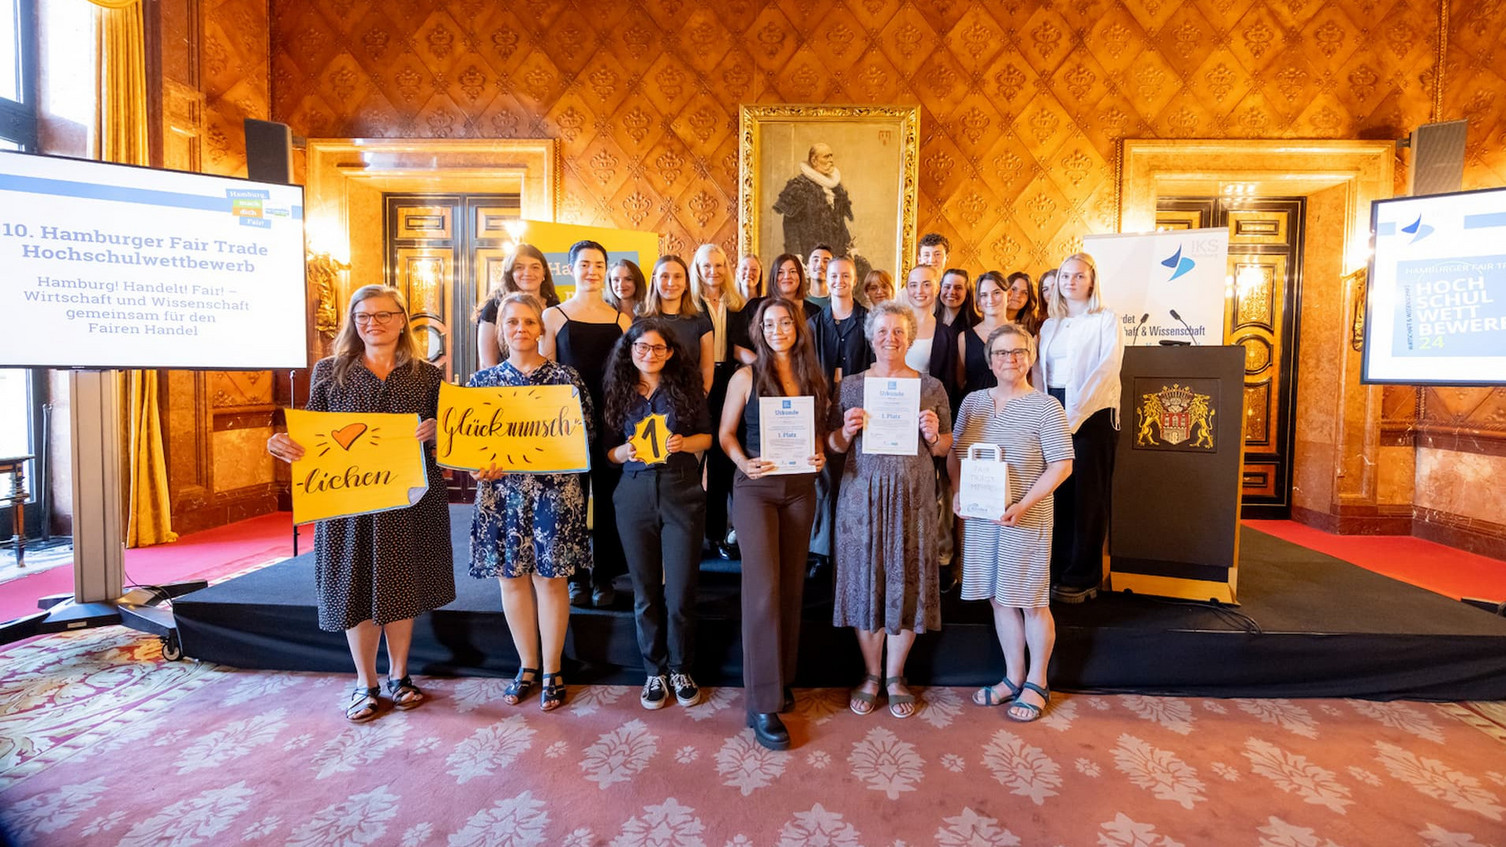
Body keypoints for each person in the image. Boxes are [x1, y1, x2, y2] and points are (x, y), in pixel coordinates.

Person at [266, 284, 454, 722]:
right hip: (350, 501)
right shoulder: (329, 372)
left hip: (411, 498)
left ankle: (400, 675)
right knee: (355, 585)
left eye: (383, 315)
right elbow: (310, 433)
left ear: (402, 319)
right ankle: (365, 682)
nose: (373, 323)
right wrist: (281, 443)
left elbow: (450, 438)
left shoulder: (427, 374)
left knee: (401, 584)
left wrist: (435, 432)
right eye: (363, 316)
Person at [826, 300, 953, 718]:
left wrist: (934, 435)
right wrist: (844, 431)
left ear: (910, 337)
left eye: (898, 331)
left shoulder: (931, 387)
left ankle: (896, 675)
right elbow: (832, 446)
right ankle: (871, 675)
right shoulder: (850, 386)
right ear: (870, 336)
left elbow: (946, 447)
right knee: (866, 581)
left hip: (912, 496)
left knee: (906, 577)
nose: (890, 339)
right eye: (882, 331)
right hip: (860, 494)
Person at [469, 293, 592, 713]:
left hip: (553, 493)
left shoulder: (566, 379)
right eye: (511, 323)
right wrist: (475, 468)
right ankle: (527, 666)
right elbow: (468, 448)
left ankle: (553, 669)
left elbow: (585, 437)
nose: (520, 329)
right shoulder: (481, 384)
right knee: (511, 579)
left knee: (551, 579)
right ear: (501, 332)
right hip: (501, 494)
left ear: (541, 329)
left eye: (528, 322)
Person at [719, 298, 829, 751]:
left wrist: (820, 450)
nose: (778, 329)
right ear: (758, 330)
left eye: (785, 321)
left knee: (789, 589)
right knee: (762, 590)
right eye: (769, 323)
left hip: (801, 490)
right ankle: (761, 704)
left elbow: (818, 430)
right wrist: (745, 461)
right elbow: (726, 434)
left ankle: (779, 681)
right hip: (756, 490)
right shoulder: (745, 376)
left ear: (797, 328)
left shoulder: (811, 377)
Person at [950, 323, 1073, 722]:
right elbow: (954, 455)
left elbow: (1062, 465)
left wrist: (1024, 503)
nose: (1010, 359)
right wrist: (957, 492)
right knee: (999, 598)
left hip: (1026, 517)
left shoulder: (1045, 406)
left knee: (1031, 600)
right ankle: (1012, 677)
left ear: (1031, 356)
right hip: (984, 519)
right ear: (989, 360)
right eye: (1001, 353)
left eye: (1018, 351)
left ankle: (1037, 681)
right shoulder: (973, 403)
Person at [603, 320, 712, 710]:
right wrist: (624, 452)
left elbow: (708, 437)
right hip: (633, 493)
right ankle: (654, 671)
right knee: (645, 590)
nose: (649, 355)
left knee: (681, 589)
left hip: (681, 490)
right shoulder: (617, 391)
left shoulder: (685, 389)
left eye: (657, 348)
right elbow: (607, 453)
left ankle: (681, 667)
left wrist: (685, 443)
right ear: (629, 350)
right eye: (641, 348)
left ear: (670, 352)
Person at [541, 240, 633, 608]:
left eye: (599, 264)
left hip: (611, 420)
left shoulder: (620, 319)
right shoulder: (554, 316)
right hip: (568, 423)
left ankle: (604, 577)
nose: (592, 271)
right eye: (585, 264)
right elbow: (545, 375)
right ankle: (577, 575)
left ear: (606, 270)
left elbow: (628, 373)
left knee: (609, 499)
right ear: (572, 269)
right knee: (572, 501)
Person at [1034, 253, 1123, 604]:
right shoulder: (1050, 324)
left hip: (1093, 414)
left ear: (1091, 280)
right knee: (1057, 494)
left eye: (1078, 276)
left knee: (1088, 496)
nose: (1070, 282)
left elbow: (1105, 370)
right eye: (1065, 276)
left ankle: (1083, 574)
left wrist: (1072, 416)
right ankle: (1056, 569)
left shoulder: (1105, 319)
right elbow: (1040, 370)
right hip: (1054, 408)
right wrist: (1046, 412)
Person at [806, 256, 872, 573]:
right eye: (834, 275)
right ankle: (821, 550)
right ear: (826, 278)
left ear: (854, 279)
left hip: (859, 406)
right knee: (823, 476)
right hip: (821, 405)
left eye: (846, 275)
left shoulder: (869, 320)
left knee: (854, 473)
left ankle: (850, 545)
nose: (839, 280)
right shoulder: (814, 324)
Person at [690, 243, 750, 560]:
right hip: (701, 380)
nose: (713, 272)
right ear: (697, 271)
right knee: (702, 458)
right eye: (706, 267)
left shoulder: (737, 303)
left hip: (730, 377)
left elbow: (739, 346)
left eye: (718, 265)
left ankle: (724, 533)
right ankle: (701, 533)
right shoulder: (690, 305)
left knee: (725, 456)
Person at [903, 263, 962, 590]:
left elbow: (950, 382)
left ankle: (940, 560)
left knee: (938, 492)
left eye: (927, 284)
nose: (920, 291)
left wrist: (942, 426)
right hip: (896, 416)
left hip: (931, 417)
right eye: (914, 284)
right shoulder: (895, 325)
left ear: (936, 289)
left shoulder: (945, 333)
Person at [476, 244, 561, 369]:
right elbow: (487, 363)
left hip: (548, 385)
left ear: (544, 273)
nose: (528, 272)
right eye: (519, 267)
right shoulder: (494, 308)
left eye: (535, 267)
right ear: (511, 273)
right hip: (504, 386)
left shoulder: (555, 307)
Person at [638, 254, 714, 393]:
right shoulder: (640, 321)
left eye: (677, 276)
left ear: (686, 283)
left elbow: (707, 369)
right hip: (649, 403)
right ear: (655, 281)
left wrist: (700, 399)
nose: (671, 283)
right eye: (665, 276)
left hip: (689, 402)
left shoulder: (701, 322)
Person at [774, 143, 853, 260]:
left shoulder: (836, 188)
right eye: (826, 157)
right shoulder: (799, 187)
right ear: (814, 161)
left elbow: (840, 225)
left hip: (835, 258)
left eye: (831, 156)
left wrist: (850, 248)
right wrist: (796, 256)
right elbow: (791, 226)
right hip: (810, 257)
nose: (831, 160)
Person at [959, 271, 1010, 394]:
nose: (990, 300)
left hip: (1012, 407)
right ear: (979, 301)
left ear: (1009, 295)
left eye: (996, 293)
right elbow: (960, 381)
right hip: (975, 408)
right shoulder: (964, 338)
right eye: (984, 295)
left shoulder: (1023, 335)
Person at [745, 252, 821, 324]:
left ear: (800, 276)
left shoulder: (815, 312)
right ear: (774, 277)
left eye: (792, 271)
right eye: (780, 272)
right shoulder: (754, 307)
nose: (787, 276)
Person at [1005, 271, 1043, 336]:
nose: (1018, 295)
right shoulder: (987, 320)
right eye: (1014, 289)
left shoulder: (1032, 329)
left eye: (1024, 292)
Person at [806, 244, 833, 308]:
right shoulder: (798, 302)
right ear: (807, 268)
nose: (820, 265)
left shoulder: (838, 302)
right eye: (815, 260)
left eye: (826, 261)